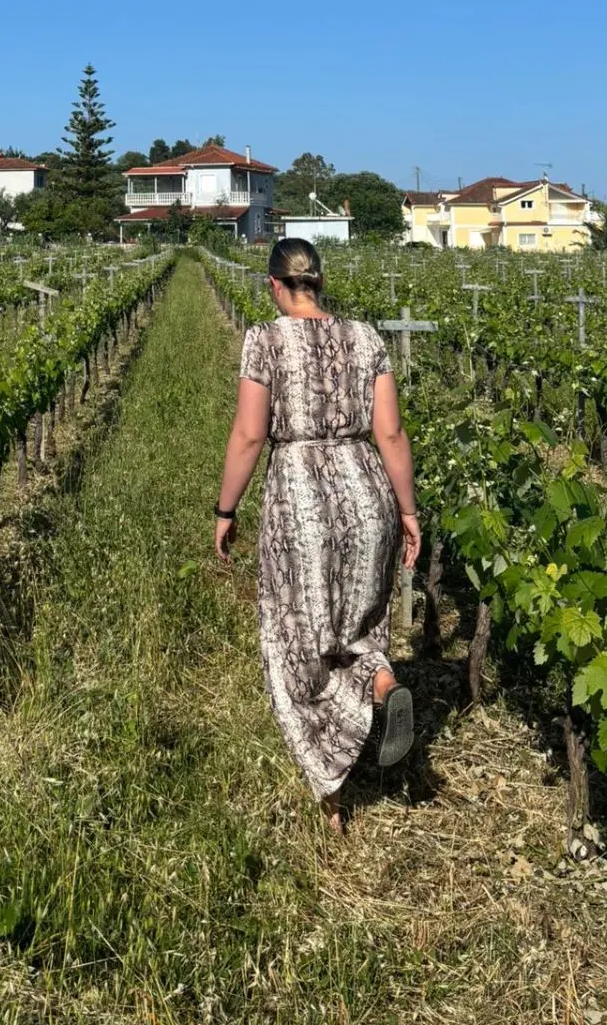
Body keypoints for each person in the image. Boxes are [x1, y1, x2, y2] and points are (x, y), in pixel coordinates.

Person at [213, 238, 421, 830]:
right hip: (366, 499)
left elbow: (250, 435)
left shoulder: (266, 340)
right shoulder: (368, 338)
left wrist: (226, 509)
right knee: (358, 623)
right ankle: (381, 682)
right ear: (320, 283)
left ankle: (330, 794)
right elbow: (392, 434)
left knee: (297, 640)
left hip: (301, 501)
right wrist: (407, 511)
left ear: (276, 286)